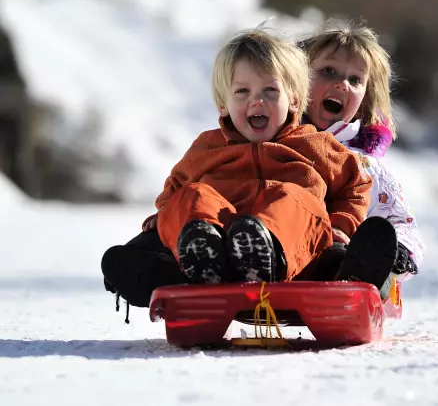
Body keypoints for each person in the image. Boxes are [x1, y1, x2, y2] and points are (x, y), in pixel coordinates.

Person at [102, 27, 397, 311]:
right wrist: (165, 217)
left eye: (270, 90)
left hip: (296, 257)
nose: (257, 100)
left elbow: (354, 186)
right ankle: (198, 258)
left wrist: (341, 226)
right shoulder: (206, 148)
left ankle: (282, 258)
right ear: (223, 104)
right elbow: (175, 189)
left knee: (292, 197)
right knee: (193, 195)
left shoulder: (316, 145)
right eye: (242, 91)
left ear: (295, 100)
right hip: (219, 247)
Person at [297, 18, 425, 299]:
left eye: (355, 80)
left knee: (371, 246)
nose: (342, 84)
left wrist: (399, 250)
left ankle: (359, 277)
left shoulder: (366, 166)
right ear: (297, 77)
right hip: (288, 253)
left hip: (345, 259)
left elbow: (402, 221)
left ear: (364, 99)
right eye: (328, 71)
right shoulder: (276, 146)